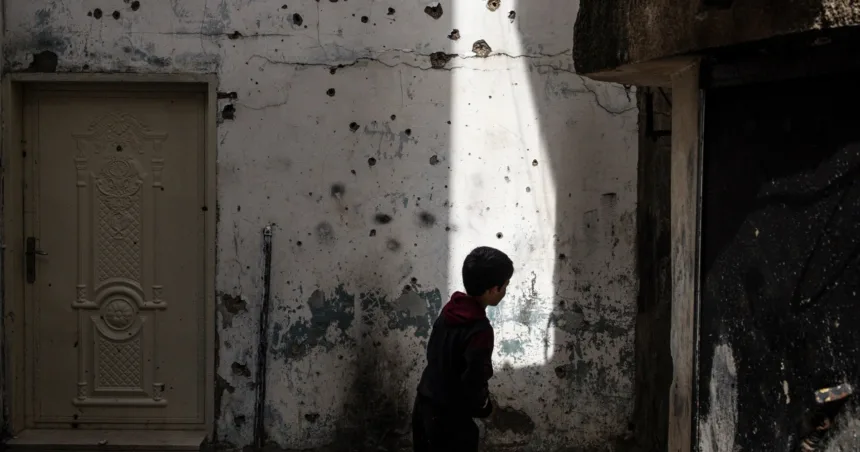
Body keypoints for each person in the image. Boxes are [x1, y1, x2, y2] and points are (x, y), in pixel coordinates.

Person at [412, 246, 514, 452]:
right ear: (493, 290)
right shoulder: (479, 330)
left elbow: (434, 354)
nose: (505, 292)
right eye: (504, 286)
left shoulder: (450, 310)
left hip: (424, 404)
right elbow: (475, 378)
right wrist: (484, 406)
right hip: (450, 418)